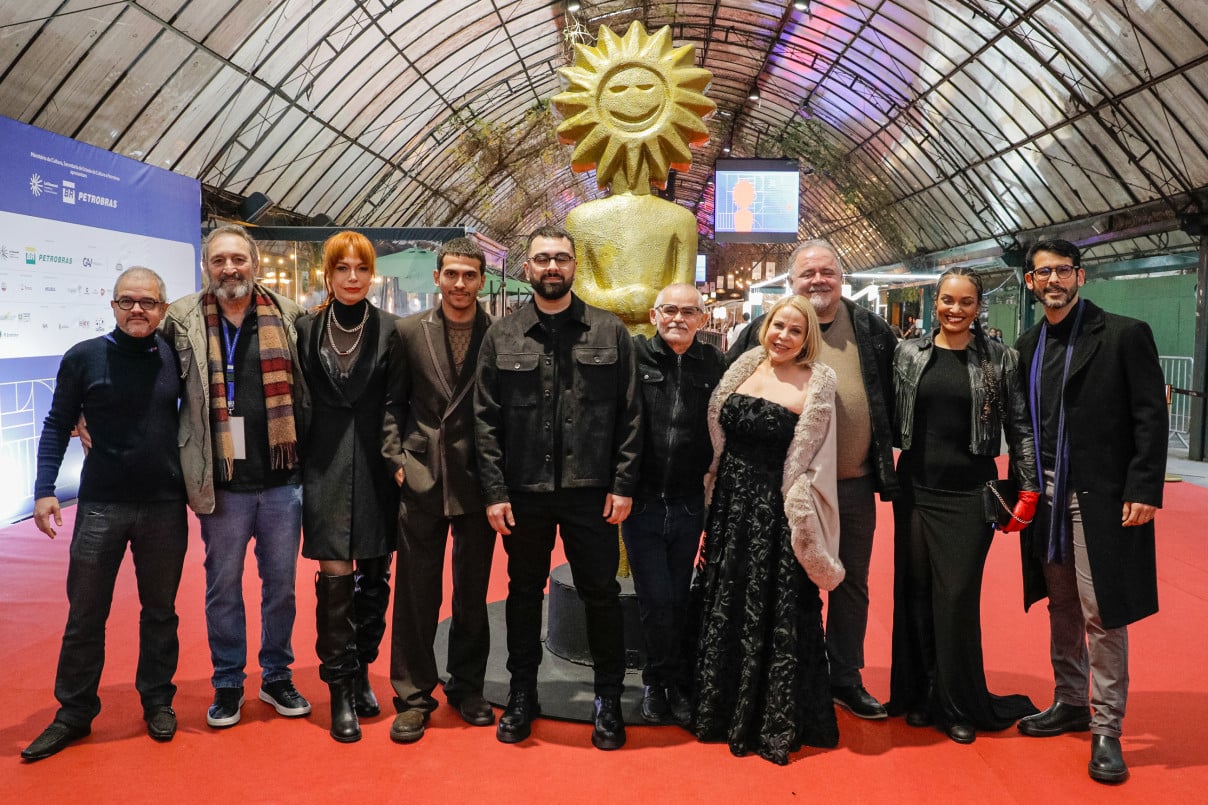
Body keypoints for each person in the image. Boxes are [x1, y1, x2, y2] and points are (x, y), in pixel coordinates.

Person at [474, 225, 642, 750]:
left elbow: (631, 415)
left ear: (574, 266)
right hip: (524, 493)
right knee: (523, 593)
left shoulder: (609, 331)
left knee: (601, 594)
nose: (552, 267)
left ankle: (608, 699)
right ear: (527, 267)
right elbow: (485, 420)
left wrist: (623, 483)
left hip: (592, 493)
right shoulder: (502, 335)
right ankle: (522, 693)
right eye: (543, 258)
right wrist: (495, 491)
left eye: (561, 258)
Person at [1013, 239, 1167, 784]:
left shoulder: (1124, 334)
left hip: (1098, 494)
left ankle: (1107, 727)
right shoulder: (1027, 344)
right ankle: (1071, 700)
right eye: (1043, 273)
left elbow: (1150, 415)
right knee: (1061, 604)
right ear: (1030, 283)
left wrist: (1144, 486)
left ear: (1080, 276)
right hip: (1047, 493)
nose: (1052, 280)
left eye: (1062, 270)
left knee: (1102, 611)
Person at [727, 238, 898, 720]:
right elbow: (732, 392)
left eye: (827, 272)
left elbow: (894, 391)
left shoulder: (871, 329)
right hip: (783, 487)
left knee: (850, 581)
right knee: (785, 580)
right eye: (808, 273)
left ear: (842, 279)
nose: (818, 280)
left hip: (852, 483)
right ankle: (787, 674)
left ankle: (845, 677)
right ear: (791, 282)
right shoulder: (767, 329)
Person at [22, 268, 186, 762]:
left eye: (148, 302)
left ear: (163, 309)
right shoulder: (83, 357)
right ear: (111, 304)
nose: (137, 309)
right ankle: (74, 712)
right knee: (85, 613)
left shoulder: (176, 356)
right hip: (100, 505)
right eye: (127, 300)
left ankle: (157, 700)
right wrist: (44, 490)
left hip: (165, 505)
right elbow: (57, 423)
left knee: (160, 612)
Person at [162, 223, 311, 728]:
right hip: (221, 482)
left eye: (238, 259)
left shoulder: (288, 315)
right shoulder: (181, 319)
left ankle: (276, 676)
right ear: (207, 265)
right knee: (222, 588)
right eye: (219, 260)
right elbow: (147, 377)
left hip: (282, 481)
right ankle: (227, 681)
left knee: (281, 587)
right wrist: (87, 410)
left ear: (254, 262)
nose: (229, 269)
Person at [887, 268, 1040, 744]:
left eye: (966, 302)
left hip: (971, 493)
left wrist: (1028, 487)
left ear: (978, 307)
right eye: (948, 300)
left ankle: (957, 703)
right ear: (935, 302)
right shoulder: (907, 353)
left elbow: (1019, 426)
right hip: (915, 490)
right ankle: (921, 694)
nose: (955, 310)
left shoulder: (1000, 358)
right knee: (916, 593)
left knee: (955, 599)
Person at [693, 294, 843, 765]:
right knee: (726, 597)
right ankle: (718, 707)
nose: (784, 336)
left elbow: (816, 459)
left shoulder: (816, 383)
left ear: (807, 338)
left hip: (775, 513)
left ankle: (765, 716)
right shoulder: (743, 366)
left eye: (796, 330)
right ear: (766, 326)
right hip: (728, 505)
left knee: (773, 606)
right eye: (779, 325)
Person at [382, 236, 497, 743]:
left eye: (469, 275)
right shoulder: (408, 332)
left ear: (482, 281)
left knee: (472, 592)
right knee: (415, 593)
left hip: (478, 479)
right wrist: (396, 460)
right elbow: (392, 403)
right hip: (422, 475)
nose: (459, 283)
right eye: (451, 273)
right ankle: (412, 696)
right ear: (437, 278)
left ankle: (467, 687)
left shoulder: (499, 334)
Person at [296, 231, 399, 742]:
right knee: (334, 579)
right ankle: (338, 687)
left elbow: (401, 402)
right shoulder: (304, 328)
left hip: (379, 467)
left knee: (375, 579)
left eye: (361, 268)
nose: (353, 277)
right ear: (328, 274)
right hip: (324, 466)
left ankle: (362, 671)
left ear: (371, 274)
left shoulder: (393, 330)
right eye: (343, 268)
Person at [624, 283, 725, 725]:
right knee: (654, 598)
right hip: (642, 502)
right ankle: (656, 681)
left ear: (703, 319)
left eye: (688, 311)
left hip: (689, 502)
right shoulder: (634, 357)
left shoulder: (715, 364)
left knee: (680, 596)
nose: (678, 318)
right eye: (669, 310)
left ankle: (677, 683)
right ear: (654, 315)